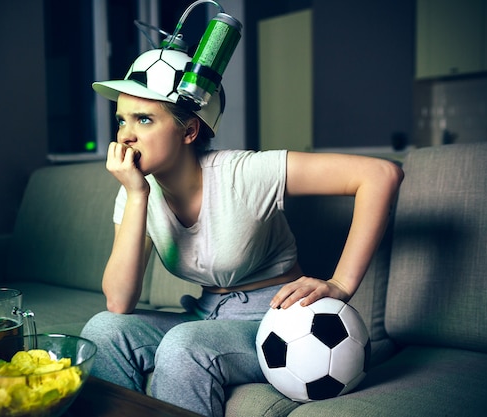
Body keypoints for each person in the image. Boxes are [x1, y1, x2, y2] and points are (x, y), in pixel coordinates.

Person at [80, 46, 404, 417]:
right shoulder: (137, 190)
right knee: (103, 330)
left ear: (189, 130)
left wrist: (341, 283)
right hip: (205, 315)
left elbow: (380, 176)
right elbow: (119, 303)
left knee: (184, 346)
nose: (126, 136)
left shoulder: (243, 173)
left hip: (272, 319)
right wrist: (137, 195)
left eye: (145, 120)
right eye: (122, 120)